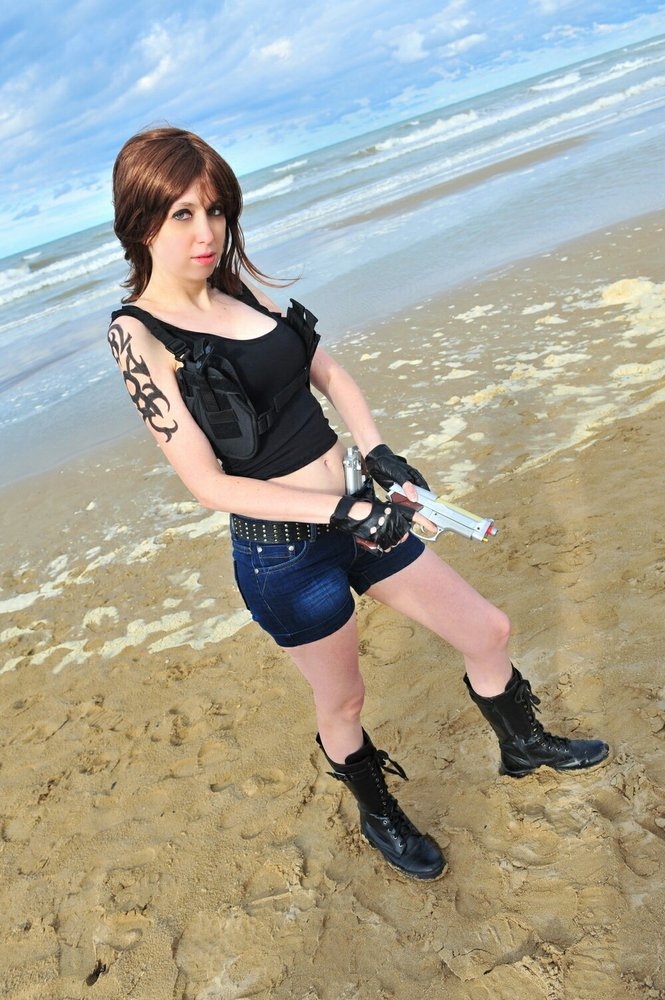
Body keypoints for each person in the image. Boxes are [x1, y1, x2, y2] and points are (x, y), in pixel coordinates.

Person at [108, 126, 609, 882]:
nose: (206, 233)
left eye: (215, 210)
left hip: (361, 508)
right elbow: (208, 485)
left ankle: (522, 745)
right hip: (283, 554)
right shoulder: (138, 335)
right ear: (141, 220)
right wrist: (345, 515)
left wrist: (377, 454)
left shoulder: (236, 289)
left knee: (488, 629)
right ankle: (380, 814)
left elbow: (331, 376)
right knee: (344, 704)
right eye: (182, 214)